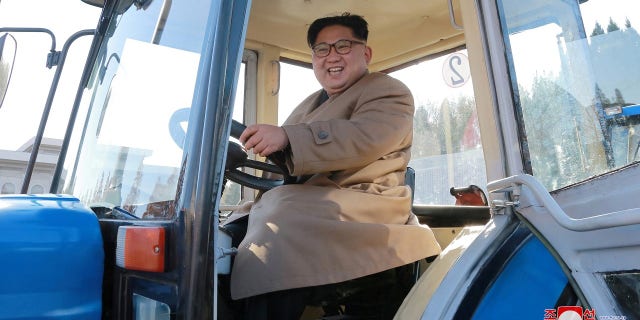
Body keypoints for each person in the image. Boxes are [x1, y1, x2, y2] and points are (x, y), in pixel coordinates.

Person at [226, 12, 441, 319]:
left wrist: (287, 137)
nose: (332, 56)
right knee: (228, 227)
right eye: (322, 49)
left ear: (365, 53)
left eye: (342, 46)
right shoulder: (309, 104)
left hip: (366, 202)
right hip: (313, 202)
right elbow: (292, 159)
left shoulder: (388, 92)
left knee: (280, 219)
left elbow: (362, 138)